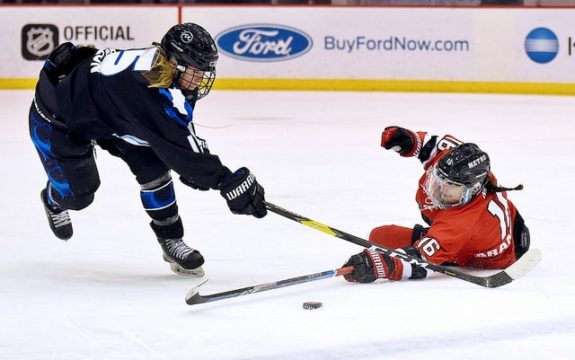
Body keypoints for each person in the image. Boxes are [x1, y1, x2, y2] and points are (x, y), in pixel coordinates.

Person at [29, 23, 267, 277]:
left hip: (110, 113)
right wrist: (225, 180)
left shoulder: (162, 73)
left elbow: (175, 135)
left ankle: (170, 240)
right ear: (174, 63)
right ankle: (53, 199)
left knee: (154, 167)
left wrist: (197, 162)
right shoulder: (142, 89)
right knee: (79, 195)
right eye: (195, 71)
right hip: (58, 120)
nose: (200, 78)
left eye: (204, 71)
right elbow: (175, 142)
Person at [342, 126, 530, 283]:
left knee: (382, 237)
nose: (441, 190)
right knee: (379, 235)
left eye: (451, 186)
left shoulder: (460, 225)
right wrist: (410, 141)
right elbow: (434, 146)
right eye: (439, 180)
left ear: (472, 190)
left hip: (479, 253)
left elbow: (421, 262)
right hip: (506, 227)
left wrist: (378, 265)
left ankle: (444, 247)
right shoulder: (462, 165)